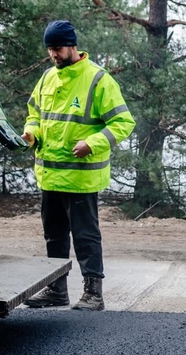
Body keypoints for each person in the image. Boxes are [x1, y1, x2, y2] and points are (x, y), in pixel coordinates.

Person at [21, 20, 136, 311]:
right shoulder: (47, 77)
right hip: (50, 176)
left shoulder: (98, 79)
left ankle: (93, 294)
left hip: (81, 178)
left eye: (57, 48)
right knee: (54, 236)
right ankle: (56, 290)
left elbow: (124, 122)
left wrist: (93, 144)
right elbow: (34, 112)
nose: (53, 55)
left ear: (72, 46)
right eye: (50, 50)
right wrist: (31, 133)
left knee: (85, 236)